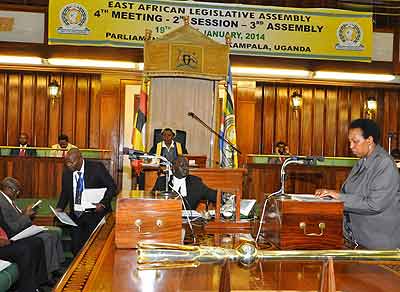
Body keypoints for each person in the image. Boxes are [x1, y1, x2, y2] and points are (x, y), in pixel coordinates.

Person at [315, 119, 400, 249]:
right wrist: (329, 197)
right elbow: (351, 195)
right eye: (350, 141)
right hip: (357, 239)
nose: (351, 146)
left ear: (369, 140)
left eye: (355, 141)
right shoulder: (361, 162)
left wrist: (338, 196)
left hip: (377, 244)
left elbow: (374, 204)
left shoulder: (385, 164)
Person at [0, 177, 64, 280]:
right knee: (46, 238)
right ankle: (48, 274)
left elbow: (15, 217)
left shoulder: (8, 200)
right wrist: (26, 216)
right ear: (8, 189)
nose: (18, 193)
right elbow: (12, 227)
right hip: (15, 234)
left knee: (52, 235)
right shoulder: (2, 201)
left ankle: (56, 267)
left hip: (21, 229)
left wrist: (24, 212)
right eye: (16, 190)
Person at [56, 148, 117, 255]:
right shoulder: (67, 173)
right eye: (67, 162)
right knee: (76, 249)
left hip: (95, 215)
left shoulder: (96, 168)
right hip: (76, 217)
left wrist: (103, 203)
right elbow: (65, 193)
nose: (69, 165)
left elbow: (112, 187)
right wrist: (59, 208)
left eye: (71, 162)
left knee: (95, 250)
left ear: (80, 159)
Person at [152, 156, 216, 210]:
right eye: (182, 166)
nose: (186, 168)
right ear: (173, 168)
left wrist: (224, 197)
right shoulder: (162, 182)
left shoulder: (195, 182)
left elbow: (213, 195)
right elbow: (151, 200)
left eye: (187, 165)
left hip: (189, 222)